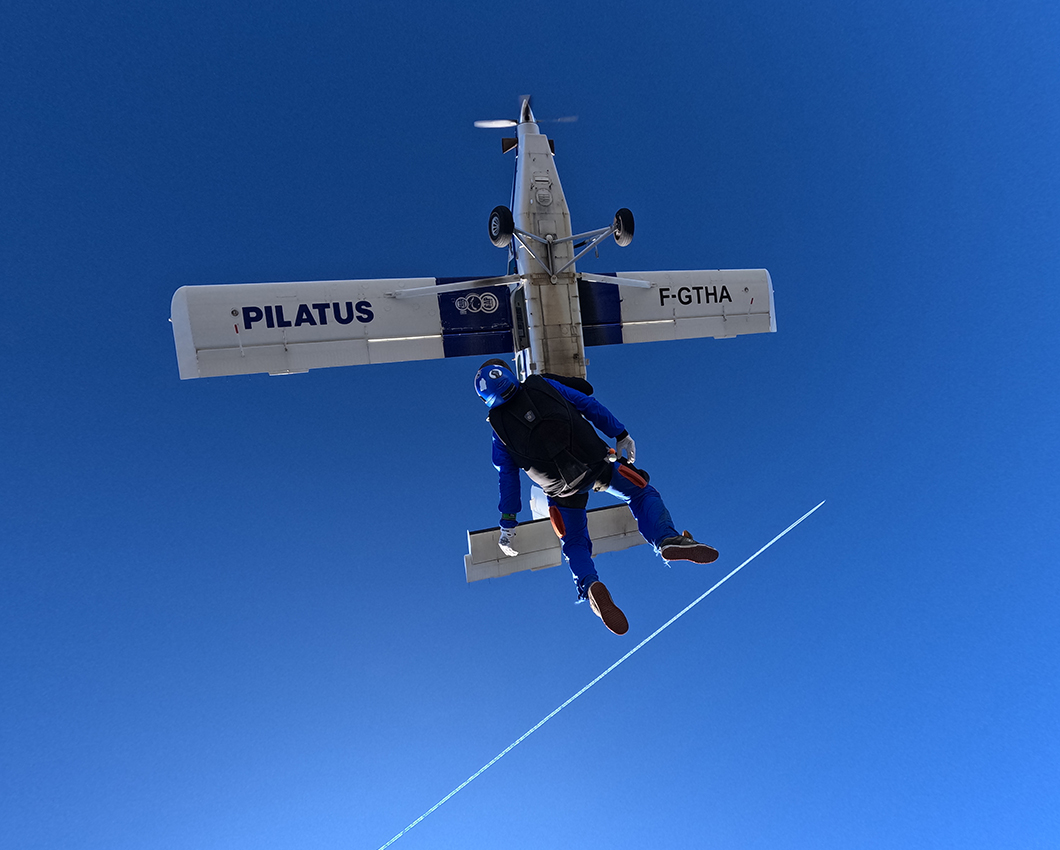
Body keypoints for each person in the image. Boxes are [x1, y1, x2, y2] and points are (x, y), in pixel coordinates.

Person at [474, 359, 719, 635]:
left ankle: (590, 585)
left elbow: (506, 476)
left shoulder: (498, 431)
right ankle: (666, 539)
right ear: (508, 374)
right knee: (641, 493)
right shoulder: (542, 385)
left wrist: (508, 522)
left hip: (560, 489)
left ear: (486, 398)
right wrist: (620, 433)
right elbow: (588, 404)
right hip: (595, 463)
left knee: (574, 541)